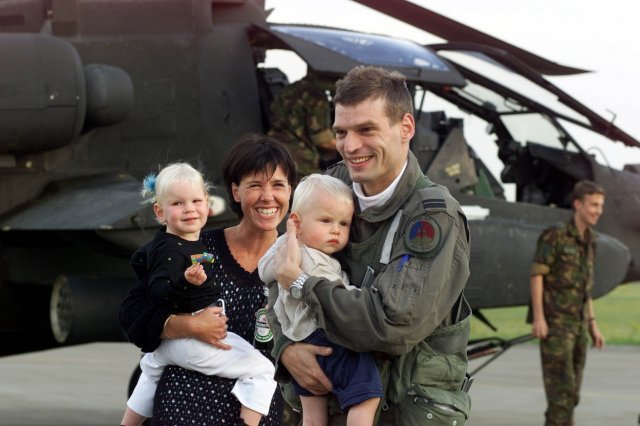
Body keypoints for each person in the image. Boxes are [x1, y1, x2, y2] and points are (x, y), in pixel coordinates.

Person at [268, 66, 472, 425]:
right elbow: (275, 274)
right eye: (341, 132)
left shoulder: (431, 217)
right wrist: (286, 348)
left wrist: (303, 285)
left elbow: (390, 325)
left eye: (366, 130)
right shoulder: (328, 187)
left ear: (405, 127)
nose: (349, 146)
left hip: (398, 411)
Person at [118, 134, 296, 425]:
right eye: (255, 185)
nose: (268, 196)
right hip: (180, 412)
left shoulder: (297, 261)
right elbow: (131, 312)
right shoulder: (196, 247)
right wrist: (185, 326)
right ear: (235, 191)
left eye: (278, 185)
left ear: (290, 190)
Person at [259, 174, 383, 425]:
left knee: (313, 416)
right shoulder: (314, 261)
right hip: (328, 337)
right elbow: (337, 298)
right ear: (297, 222)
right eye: (326, 221)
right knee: (366, 397)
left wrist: (289, 238)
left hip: (299, 340)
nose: (336, 230)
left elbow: (263, 269)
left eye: (344, 223)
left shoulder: (283, 250)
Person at [529, 180, 606, 426]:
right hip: (557, 327)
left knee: (571, 396)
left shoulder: (591, 240)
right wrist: (539, 318)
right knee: (560, 397)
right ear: (577, 205)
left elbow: (585, 288)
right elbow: (537, 275)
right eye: (593, 205)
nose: (598, 211)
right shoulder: (555, 236)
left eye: (600, 205)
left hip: (579, 327)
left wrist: (593, 324)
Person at [268, 71, 339, 177]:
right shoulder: (316, 97)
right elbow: (323, 141)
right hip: (299, 158)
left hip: (274, 148)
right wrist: (348, 146)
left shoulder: (291, 88)